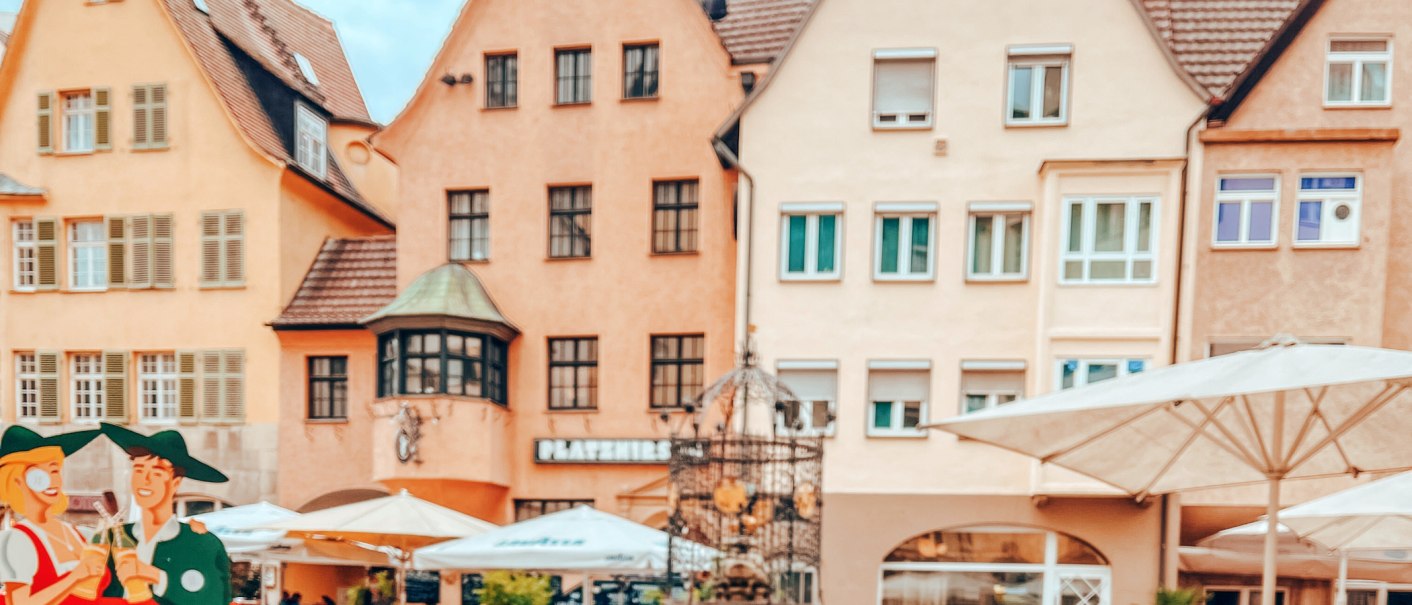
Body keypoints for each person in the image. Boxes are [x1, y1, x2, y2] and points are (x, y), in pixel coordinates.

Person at [96, 424, 231, 605]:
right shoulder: (111, 540)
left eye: (157, 473)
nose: (145, 480)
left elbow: (213, 598)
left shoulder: (201, 545)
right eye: (139, 470)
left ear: (175, 482)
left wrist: (156, 576)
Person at [0, 426, 109, 605]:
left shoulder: (77, 532)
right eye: (38, 475)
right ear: (17, 481)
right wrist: (75, 577)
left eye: (54, 470)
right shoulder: (17, 540)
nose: (52, 481)